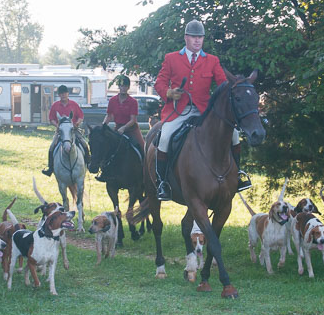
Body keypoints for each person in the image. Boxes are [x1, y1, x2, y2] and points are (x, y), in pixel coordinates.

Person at [153, 19, 251, 201]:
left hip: (204, 112)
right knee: (165, 137)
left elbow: (223, 85)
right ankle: (163, 183)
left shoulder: (212, 61)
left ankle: (238, 176)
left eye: (200, 37)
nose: (197, 40)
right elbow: (159, 82)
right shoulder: (171, 58)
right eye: (193, 37)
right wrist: (168, 92)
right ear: (186, 38)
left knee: (235, 135)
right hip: (178, 111)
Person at [98, 75, 145, 182]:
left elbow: (133, 119)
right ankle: (104, 172)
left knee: (143, 148)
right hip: (117, 128)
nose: (123, 88)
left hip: (131, 129)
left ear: (128, 87)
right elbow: (109, 115)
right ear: (118, 87)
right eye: (121, 86)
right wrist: (103, 126)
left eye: (125, 86)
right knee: (107, 148)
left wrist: (124, 128)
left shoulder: (133, 101)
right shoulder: (113, 100)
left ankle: (145, 172)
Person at [42, 85, 90, 177]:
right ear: (59, 95)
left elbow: (81, 116)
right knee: (52, 147)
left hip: (73, 130)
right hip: (60, 131)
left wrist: (76, 123)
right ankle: (50, 168)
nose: (63, 95)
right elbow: (51, 118)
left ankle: (88, 163)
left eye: (65, 93)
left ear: (68, 94)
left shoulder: (74, 104)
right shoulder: (55, 105)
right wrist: (58, 126)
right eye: (61, 94)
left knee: (84, 144)